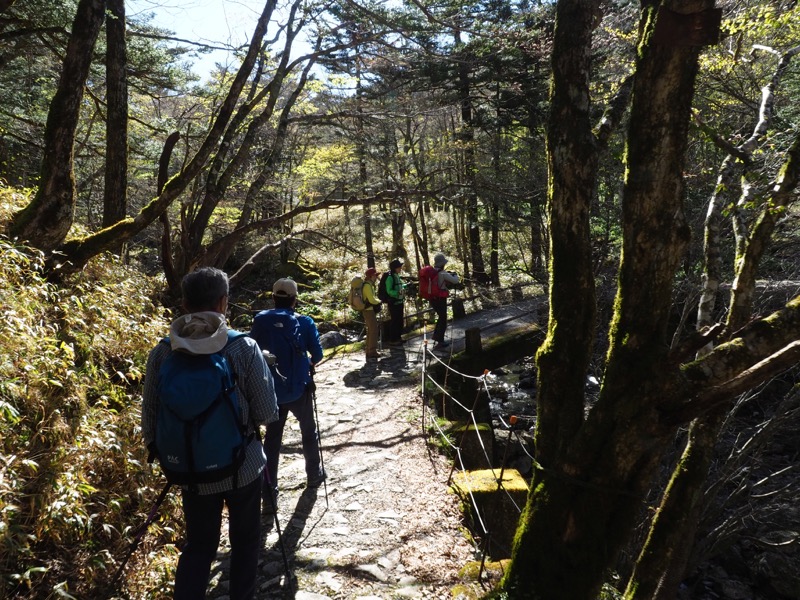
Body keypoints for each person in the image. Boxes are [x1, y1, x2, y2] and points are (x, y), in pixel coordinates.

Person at [141, 267, 278, 600]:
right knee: (245, 542)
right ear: (224, 303)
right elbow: (267, 413)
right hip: (242, 468)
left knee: (199, 545)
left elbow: (150, 417)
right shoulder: (243, 347)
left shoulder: (163, 352)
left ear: (185, 303)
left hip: (188, 469)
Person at [250, 278, 325, 510]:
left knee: (272, 441)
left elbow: (252, 351)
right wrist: (308, 363)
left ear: (273, 298)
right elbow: (318, 354)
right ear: (295, 299)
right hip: (299, 389)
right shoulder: (304, 322)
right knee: (308, 431)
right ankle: (313, 475)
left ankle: (269, 495)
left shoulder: (260, 321)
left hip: (270, 391)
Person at [430, 252, 460, 350]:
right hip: (440, 298)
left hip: (432, 298)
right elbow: (455, 280)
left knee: (441, 317)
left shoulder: (432, 271)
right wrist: (456, 275)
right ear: (442, 263)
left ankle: (437, 337)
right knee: (443, 319)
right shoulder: (442, 273)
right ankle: (440, 341)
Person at [362, 267, 382, 359]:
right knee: (373, 330)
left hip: (369, 310)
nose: (376, 277)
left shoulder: (369, 285)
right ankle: (372, 351)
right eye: (375, 275)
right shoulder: (367, 286)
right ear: (371, 276)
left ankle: (369, 350)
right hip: (368, 310)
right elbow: (371, 300)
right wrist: (379, 301)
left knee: (370, 330)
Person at [385, 258, 406, 346]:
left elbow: (400, 286)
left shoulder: (397, 276)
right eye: (399, 267)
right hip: (394, 303)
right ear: (395, 268)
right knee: (395, 321)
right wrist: (397, 293)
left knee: (400, 321)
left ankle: (398, 337)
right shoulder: (390, 277)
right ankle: (393, 340)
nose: (400, 268)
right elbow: (389, 291)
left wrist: (406, 286)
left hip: (400, 302)